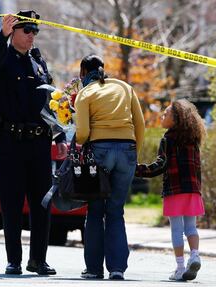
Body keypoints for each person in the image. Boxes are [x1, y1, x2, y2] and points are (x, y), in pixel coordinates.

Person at [0, 10, 67, 276]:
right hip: (10, 142)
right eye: (27, 31)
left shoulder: (38, 62)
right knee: (11, 203)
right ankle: (14, 260)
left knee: (42, 203)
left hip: (38, 143)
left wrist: (60, 134)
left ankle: (38, 260)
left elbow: (51, 101)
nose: (32, 36)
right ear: (14, 32)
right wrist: (2, 35)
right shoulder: (3, 58)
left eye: (35, 31)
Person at [74, 54, 145, 280]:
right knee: (116, 210)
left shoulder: (85, 93)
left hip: (100, 152)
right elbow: (140, 124)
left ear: (83, 72)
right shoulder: (125, 87)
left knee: (95, 210)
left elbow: (83, 133)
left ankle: (94, 269)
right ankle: (117, 268)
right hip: (127, 150)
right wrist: (135, 152)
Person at [135, 99, 206, 281]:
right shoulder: (193, 139)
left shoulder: (167, 139)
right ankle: (195, 255)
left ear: (176, 119)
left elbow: (161, 165)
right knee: (191, 227)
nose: (162, 116)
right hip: (192, 190)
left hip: (175, 190)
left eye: (166, 114)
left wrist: (137, 169)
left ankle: (181, 267)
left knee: (176, 229)